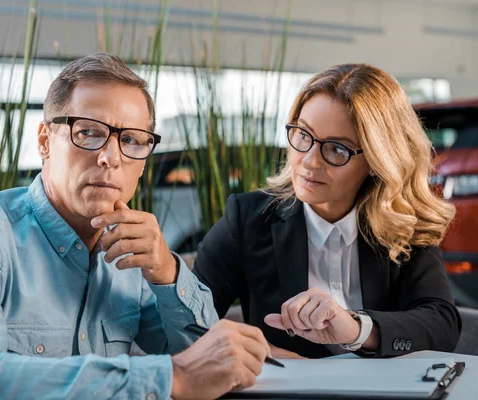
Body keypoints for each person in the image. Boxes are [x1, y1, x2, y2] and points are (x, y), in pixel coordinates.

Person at [0, 53, 271, 400]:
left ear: (143, 161)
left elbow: (208, 367)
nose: (110, 157)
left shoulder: (133, 256)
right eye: (88, 132)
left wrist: (168, 274)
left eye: (130, 140)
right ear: (45, 141)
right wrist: (170, 377)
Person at [193, 63, 461, 359]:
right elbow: (192, 324)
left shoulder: (404, 222)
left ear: (376, 160)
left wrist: (357, 329)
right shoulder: (247, 219)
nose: (309, 161)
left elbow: (442, 324)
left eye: (336, 148)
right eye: (303, 135)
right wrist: (260, 352)